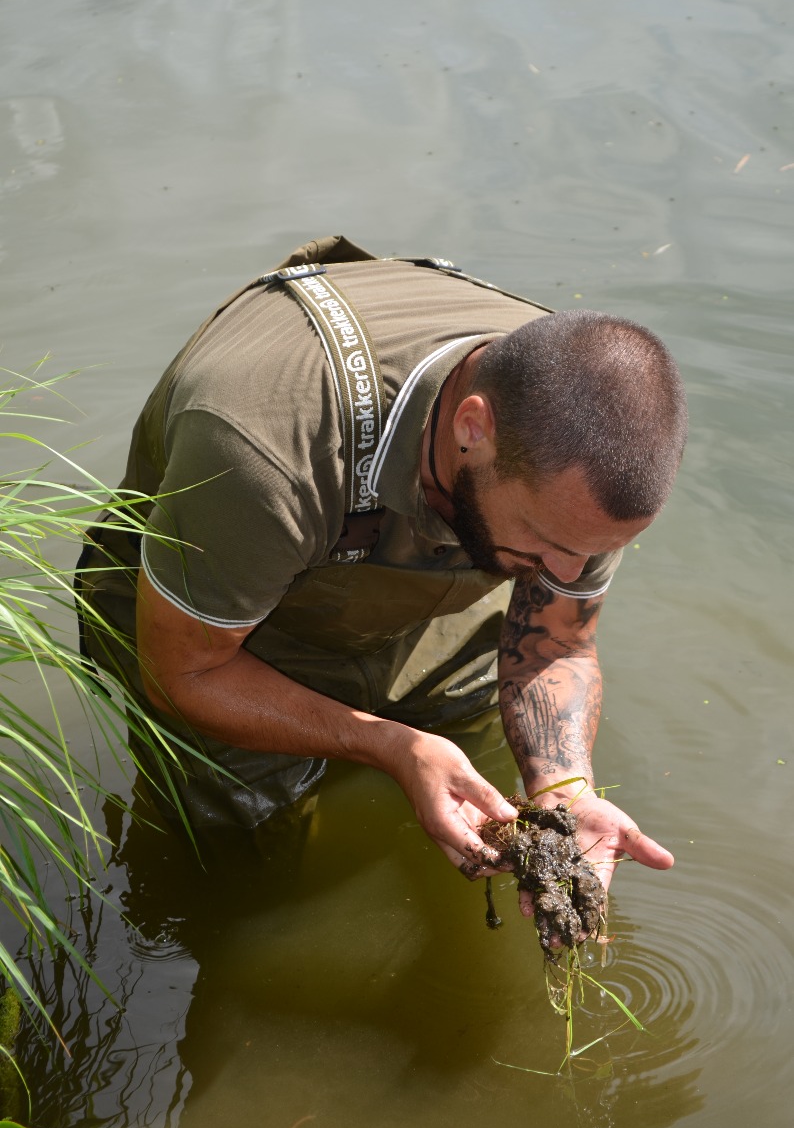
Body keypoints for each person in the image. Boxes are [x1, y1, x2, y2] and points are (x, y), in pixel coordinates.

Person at [78, 235, 686, 912]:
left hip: (426, 595)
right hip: (220, 616)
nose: (568, 573)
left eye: (592, 550)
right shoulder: (266, 450)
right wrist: (388, 746)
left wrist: (562, 786)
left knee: (483, 767)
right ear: (472, 428)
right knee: (239, 864)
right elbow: (182, 672)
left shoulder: (581, 456)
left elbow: (559, 638)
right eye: (547, 542)